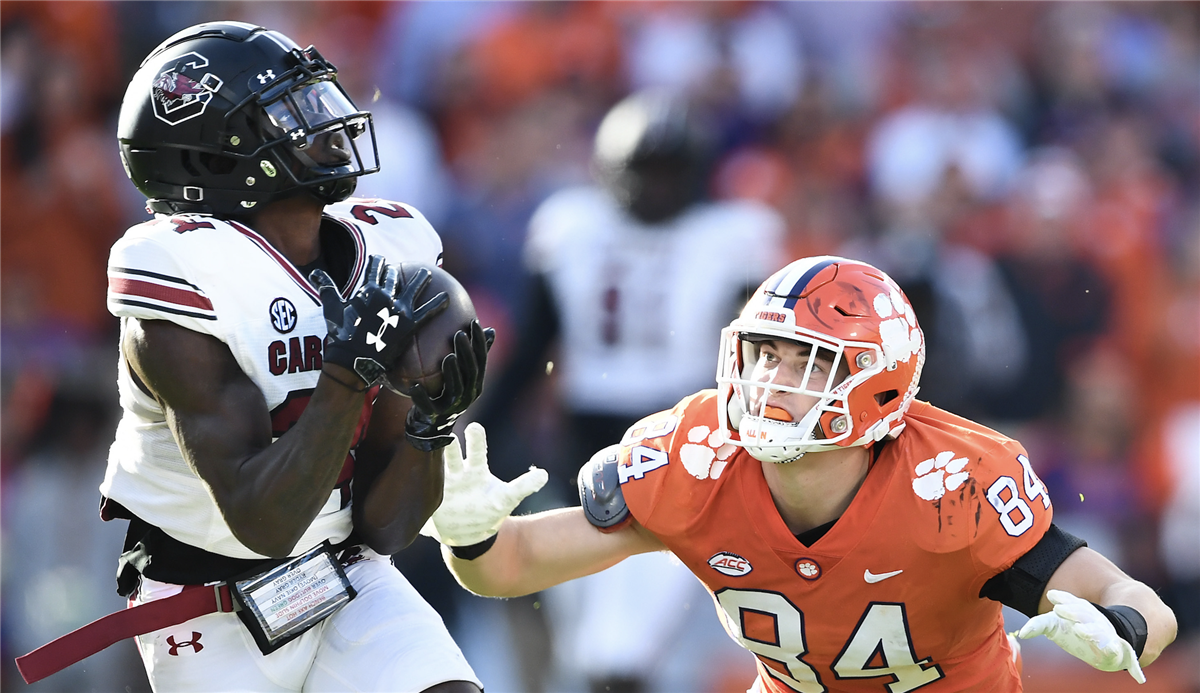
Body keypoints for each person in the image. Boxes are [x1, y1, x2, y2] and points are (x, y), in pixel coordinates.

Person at [422, 255, 1178, 692]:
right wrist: (472, 538)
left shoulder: (953, 480)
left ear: (878, 379)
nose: (772, 380)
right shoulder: (698, 458)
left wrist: (1125, 626)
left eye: (806, 360)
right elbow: (510, 566)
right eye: (764, 353)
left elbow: (1131, 597)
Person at [17, 21, 487, 692]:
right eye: (292, 113)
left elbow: (386, 528)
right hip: (211, 606)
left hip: (343, 571)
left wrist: (429, 425)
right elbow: (263, 522)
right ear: (216, 156)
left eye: (318, 101)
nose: (328, 126)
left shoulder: (387, 247)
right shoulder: (182, 275)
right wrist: (347, 374)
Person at [471, 87, 783, 691]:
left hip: (685, 446)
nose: (658, 188)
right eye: (648, 172)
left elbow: (754, 358)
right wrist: (483, 430)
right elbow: (536, 346)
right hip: (585, 449)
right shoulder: (572, 225)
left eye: (670, 173)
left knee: (618, 655)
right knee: (592, 648)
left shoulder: (732, 234)